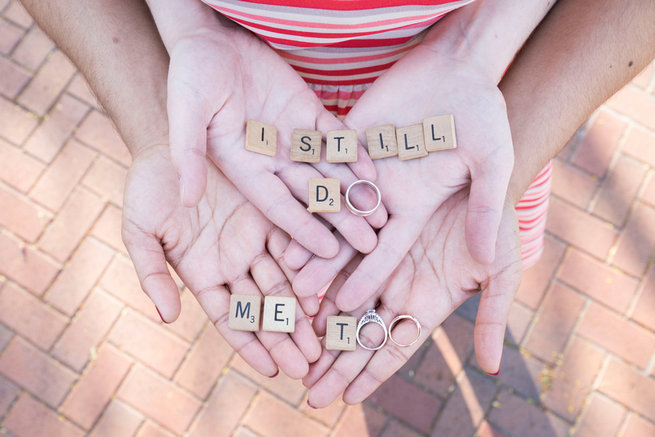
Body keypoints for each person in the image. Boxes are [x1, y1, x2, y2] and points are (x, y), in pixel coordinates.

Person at [19, 0, 655, 409]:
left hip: (468, 137)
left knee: (432, 277)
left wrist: (481, 54)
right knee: (344, 300)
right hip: (235, 145)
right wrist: (163, 110)